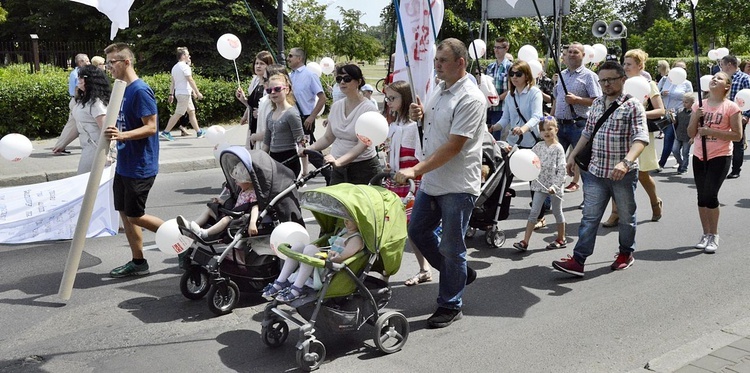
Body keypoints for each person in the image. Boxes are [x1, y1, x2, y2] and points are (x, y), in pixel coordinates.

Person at [394, 38, 485, 328]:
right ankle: (457, 274)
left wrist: (415, 169)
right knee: (418, 231)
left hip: (457, 184)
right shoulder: (439, 88)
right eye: (435, 61)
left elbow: (454, 146)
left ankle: (450, 304)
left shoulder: (471, 97)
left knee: (451, 246)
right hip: (434, 179)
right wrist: (418, 115)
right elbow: (431, 124)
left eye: (442, 61)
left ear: (460, 62)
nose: (436, 66)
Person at [551, 61, 648, 277]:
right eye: (602, 80)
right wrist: (573, 156)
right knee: (589, 217)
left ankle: (625, 253)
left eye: (610, 79)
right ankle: (578, 260)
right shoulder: (596, 104)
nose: (606, 84)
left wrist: (626, 162)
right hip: (595, 172)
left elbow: (640, 138)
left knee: (626, 217)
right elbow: (587, 132)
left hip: (622, 174)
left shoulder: (633, 106)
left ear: (623, 79)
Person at [103, 43, 164, 278]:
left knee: (135, 215)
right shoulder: (122, 89)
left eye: (112, 63)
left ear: (126, 62)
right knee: (124, 213)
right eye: (107, 63)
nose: (109, 68)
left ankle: (181, 237)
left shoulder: (140, 90)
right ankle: (138, 262)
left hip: (141, 164)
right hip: (125, 163)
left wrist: (122, 135)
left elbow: (150, 127)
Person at [602, 49, 666, 227]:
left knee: (642, 174)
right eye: (624, 63)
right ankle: (616, 213)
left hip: (640, 134)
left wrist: (639, 113)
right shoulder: (620, 83)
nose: (625, 67)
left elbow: (661, 110)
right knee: (618, 172)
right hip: (620, 133)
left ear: (640, 65)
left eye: (629, 64)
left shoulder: (649, 84)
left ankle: (655, 201)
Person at [687, 72, 743, 253]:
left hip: (720, 155)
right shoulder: (699, 105)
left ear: (726, 86)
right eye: (713, 77)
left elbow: (737, 135)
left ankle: (714, 234)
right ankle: (705, 233)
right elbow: (690, 133)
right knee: (701, 196)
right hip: (699, 155)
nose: (714, 79)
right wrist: (696, 117)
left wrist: (711, 131)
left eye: (719, 78)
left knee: (711, 194)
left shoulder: (731, 107)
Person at [382, 80, 431, 286]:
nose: (389, 102)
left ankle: (424, 268)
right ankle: (385, 272)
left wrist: (409, 172)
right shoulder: (394, 125)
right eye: (387, 98)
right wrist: (387, 165)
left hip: (411, 182)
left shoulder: (414, 127)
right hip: (395, 181)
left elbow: (420, 155)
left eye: (393, 98)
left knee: (411, 229)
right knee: (390, 227)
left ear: (406, 98)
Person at [303, 64, 381, 185]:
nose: (342, 82)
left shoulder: (368, 109)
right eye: (339, 79)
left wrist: (339, 161)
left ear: (358, 82)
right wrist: (309, 149)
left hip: (363, 168)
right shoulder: (337, 106)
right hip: (338, 167)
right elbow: (328, 137)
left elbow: (362, 144)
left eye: (347, 79)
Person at [261, 219, 364, 302]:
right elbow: (330, 247)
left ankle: (297, 289)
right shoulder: (344, 232)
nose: (346, 221)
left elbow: (340, 258)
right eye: (345, 218)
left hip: (330, 271)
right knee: (298, 245)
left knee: (309, 249)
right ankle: (280, 282)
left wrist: (327, 254)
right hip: (320, 265)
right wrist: (319, 249)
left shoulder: (356, 239)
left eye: (350, 219)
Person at [550, 43, 602, 194]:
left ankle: (589, 200)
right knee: (554, 163)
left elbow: (598, 101)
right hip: (559, 125)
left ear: (583, 55)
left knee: (583, 165)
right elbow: (557, 98)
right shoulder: (561, 75)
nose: (572, 54)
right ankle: (547, 202)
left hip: (579, 125)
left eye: (576, 52)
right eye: (570, 52)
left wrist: (577, 100)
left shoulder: (589, 76)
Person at [512, 116, 567, 251]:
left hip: (554, 187)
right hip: (539, 185)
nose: (546, 132)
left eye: (549, 129)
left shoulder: (558, 149)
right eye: (543, 130)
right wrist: (515, 152)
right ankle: (525, 241)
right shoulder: (538, 146)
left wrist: (555, 186)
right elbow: (529, 158)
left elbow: (561, 170)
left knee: (557, 212)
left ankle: (561, 238)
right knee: (534, 213)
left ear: (556, 130)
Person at [176, 163, 259, 240]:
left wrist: (252, 223)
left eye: (238, 181)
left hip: (238, 219)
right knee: (210, 209)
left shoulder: (253, 194)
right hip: (233, 213)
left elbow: (255, 208)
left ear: (248, 183)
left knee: (226, 219)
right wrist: (221, 201)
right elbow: (238, 204)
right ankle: (192, 227)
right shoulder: (244, 190)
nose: (236, 183)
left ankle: (204, 233)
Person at [489, 60, 543, 149]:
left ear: (527, 76)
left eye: (518, 74)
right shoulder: (510, 95)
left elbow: (537, 117)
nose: (514, 77)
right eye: (511, 74)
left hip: (530, 143)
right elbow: (505, 118)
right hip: (512, 142)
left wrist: (522, 129)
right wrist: (493, 127)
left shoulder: (534, 92)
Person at [263, 73, 304, 177]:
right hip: (273, 160)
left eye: (277, 89)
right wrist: (260, 161)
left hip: (289, 159)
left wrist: (305, 170)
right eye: (269, 90)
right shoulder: (270, 115)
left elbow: (301, 141)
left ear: (286, 90)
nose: (273, 93)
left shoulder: (291, 114)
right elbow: (266, 143)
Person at [160, 47, 205, 141]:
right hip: (184, 94)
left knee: (191, 111)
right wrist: (197, 92)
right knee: (178, 113)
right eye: (187, 54)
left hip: (181, 93)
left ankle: (199, 132)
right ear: (183, 56)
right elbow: (190, 80)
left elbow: (173, 83)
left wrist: (171, 94)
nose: (189, 55)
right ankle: (166, 132)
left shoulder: (175, 67)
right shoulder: (185, 67)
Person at [73, 65, 111, 175]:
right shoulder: (84, 101)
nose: (78, 80)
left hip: (97, 149)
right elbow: (76, 125)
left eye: (81, 77)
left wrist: (107, 154)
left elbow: (106, 129)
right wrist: (61, 144)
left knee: (87, 184)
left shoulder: (97, 104)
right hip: (87, 148)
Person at [657, 61, 693, 170]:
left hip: (681, 115)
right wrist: (662, 94)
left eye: (683, 69)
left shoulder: (686, 83)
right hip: (668, 114)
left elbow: (691, 99)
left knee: (679, 139)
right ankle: (663, 163)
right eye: (677, 68)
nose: (680, 71)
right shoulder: (664, 80)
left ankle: (678, 162)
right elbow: (656, 94)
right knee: (669, 138)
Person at [719, 55, 750, 179]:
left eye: (722, 64)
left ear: (729, 65)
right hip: (723, 114)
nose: (720, 67)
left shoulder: (745, 78)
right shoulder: (724, 78)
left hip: (738, 115)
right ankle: (721, 168)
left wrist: (746, 115)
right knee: (721, 141)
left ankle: (736, 169)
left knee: (737, 144)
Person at [53, 53, 90, 155]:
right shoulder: (80, 74)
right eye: (87, 61)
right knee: (73, 125)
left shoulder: (74, 72)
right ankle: (59, 147)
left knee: (72, 125)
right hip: (78, 101)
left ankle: (59, 146)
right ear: (81, 62)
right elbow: (78, 89)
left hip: (75, 101)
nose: (89, 62)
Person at [236, 51, 274, 150]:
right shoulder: (255, 81)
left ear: (269, 66)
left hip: (264, 125)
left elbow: (273, 105)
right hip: (253, 123)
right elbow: (251, 104)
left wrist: (261, 112)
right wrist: (243, 100)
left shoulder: (271, 83)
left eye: (262, 64)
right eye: (256, 63)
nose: (258, 66)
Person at [287, 47, 326, 144]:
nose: (287, 58)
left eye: (290, 56)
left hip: (305, 119)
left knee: (305, 148)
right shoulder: (289, 76)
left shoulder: (310, 75)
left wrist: (312, 117)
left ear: (299, 58)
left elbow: (322, 98)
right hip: (291, 116)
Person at [485, 37, 512, 139]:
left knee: (497, 140)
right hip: (488, 109)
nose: (496, 50)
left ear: (506, 48)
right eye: (495, 47)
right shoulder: (490, 67)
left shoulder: (510, 67)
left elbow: (510, 90)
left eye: (499, 47)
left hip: (502, 109)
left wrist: (497, 99)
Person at [672, 93, 695, 175]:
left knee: (685, 152)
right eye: (683, 102)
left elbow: (696, 126)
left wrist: (693, 137)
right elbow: (675, 122)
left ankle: (684, 167)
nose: (684, 104)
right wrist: (672, 117)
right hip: (678, 135)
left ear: (692, 103)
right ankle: (680, 163)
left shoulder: (694, 113)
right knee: (674, 150)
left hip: (688, 136)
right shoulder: (680, 111)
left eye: (686, 102)